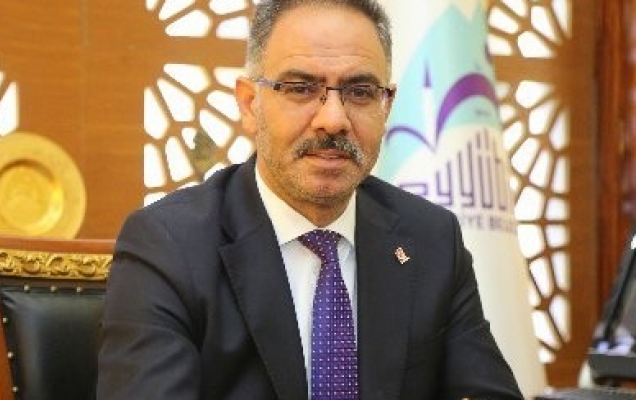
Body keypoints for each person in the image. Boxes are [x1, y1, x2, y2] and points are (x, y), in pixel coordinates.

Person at [96, 0, 524, 399]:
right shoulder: (169, 245)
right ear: (249, 104)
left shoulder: (431, 239)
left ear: (387, 106)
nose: (333, 119)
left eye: (360, 92)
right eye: (300, 88)